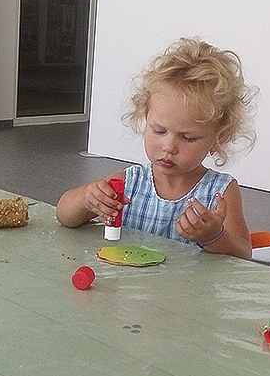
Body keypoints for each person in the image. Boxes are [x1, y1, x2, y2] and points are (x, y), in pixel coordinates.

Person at [56, 37, 256, 259]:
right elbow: (64, 215)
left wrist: (214, 236)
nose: (169, 147)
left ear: (219, 138)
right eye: (159, 131)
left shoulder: (220, 192)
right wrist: (87, 199)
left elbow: (243, 254)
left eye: (188, 138)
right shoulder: (129, 183)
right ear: (145, 118)